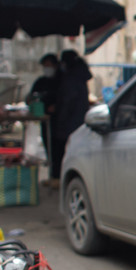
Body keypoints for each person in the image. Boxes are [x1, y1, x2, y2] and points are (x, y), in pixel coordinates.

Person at [50, 49, 93, 185]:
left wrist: (60, 123)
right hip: (79, 120)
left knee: (67, 153)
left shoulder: (71, 78)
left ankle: (64, 179)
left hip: (69, 123)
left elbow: (67, 103)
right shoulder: (80, 75)